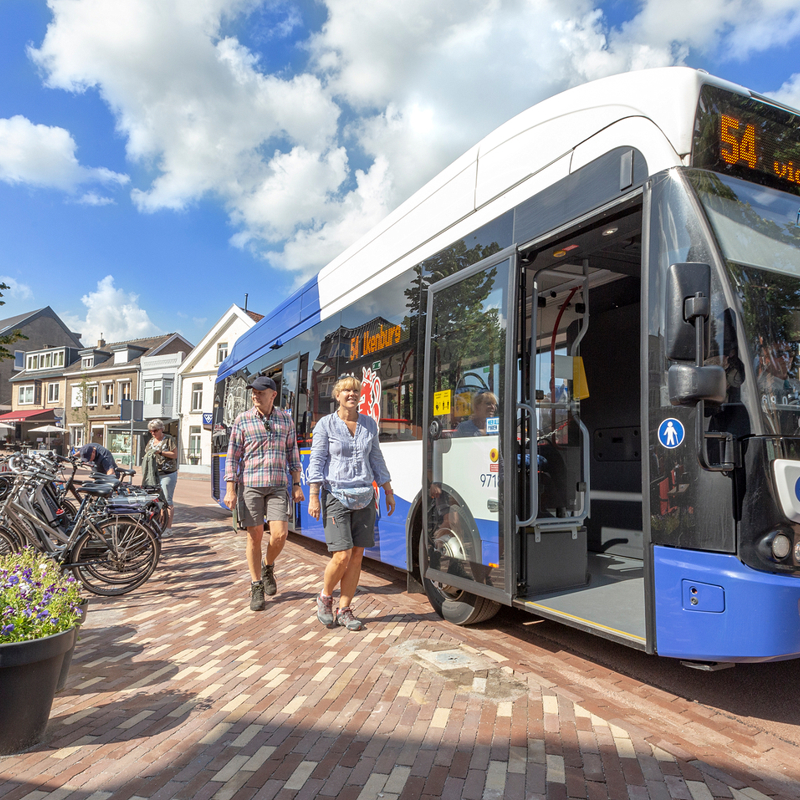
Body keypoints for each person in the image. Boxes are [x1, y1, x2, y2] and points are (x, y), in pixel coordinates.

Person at [307, 375, 394, 631]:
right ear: (337, 396)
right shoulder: (325, 425)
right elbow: (317, 461)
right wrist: (314, 495)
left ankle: (344, 609)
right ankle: (325, 597)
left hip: (365, 496)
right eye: (346, 391)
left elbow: (376, 459)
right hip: (335, 494)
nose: (351, 394)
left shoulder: (369, 424)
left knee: (357, 556)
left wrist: (388, 490)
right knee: (342, 555)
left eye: (355, 390)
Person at [224, 375, 305, 611]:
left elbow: (293, 453)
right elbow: (232, 457)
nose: (255, 395)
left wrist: (297, 483)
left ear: (273, 395)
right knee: (255, 535)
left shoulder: (285, 421)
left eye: (260, 392)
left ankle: (268, 565)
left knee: (280, 534)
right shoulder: (243, 420)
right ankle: (256, 584)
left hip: (279, 484)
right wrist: (230, 489)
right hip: (250, 484)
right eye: (254, 392)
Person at [144, 420, 178, 533]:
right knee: (156, 501)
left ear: (161, 429)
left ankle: (168, 528)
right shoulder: (151, 441)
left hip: (168, 474)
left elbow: (175, 454)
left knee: (167, 501)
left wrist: (161, 452)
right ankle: (160, 525)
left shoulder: (168, 439)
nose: (153, 433)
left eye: (155, 430)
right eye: (151, 431)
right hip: (155, 474)